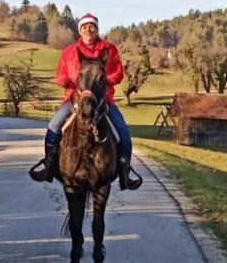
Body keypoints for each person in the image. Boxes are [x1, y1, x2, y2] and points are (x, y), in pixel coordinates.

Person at [28, 13, 142, 190]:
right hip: (74, 98)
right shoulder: (69, 52)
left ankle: (124, 171)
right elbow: (60, 75)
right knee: (53, 126)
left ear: (97, 29)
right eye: (85, 26)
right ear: (80, 30)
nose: (89, 29)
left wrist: (103, 81)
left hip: (103, 99)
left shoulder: (109, 49)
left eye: (92, 26)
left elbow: (118, 73)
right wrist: (70, 82)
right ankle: (49, 164)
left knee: (123, 133)